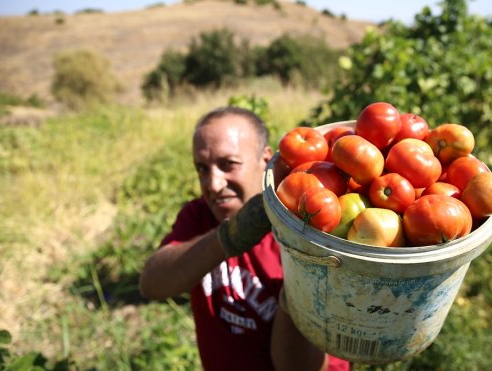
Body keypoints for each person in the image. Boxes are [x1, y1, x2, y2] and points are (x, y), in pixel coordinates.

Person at [139, 107, 350, 371]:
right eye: (202, 169)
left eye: (228, 164)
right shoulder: (199, 217)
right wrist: (227, 238)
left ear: (266, 159)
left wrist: (300, 289)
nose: (213, 184)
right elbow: (152, 284)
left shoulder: (306, 234)